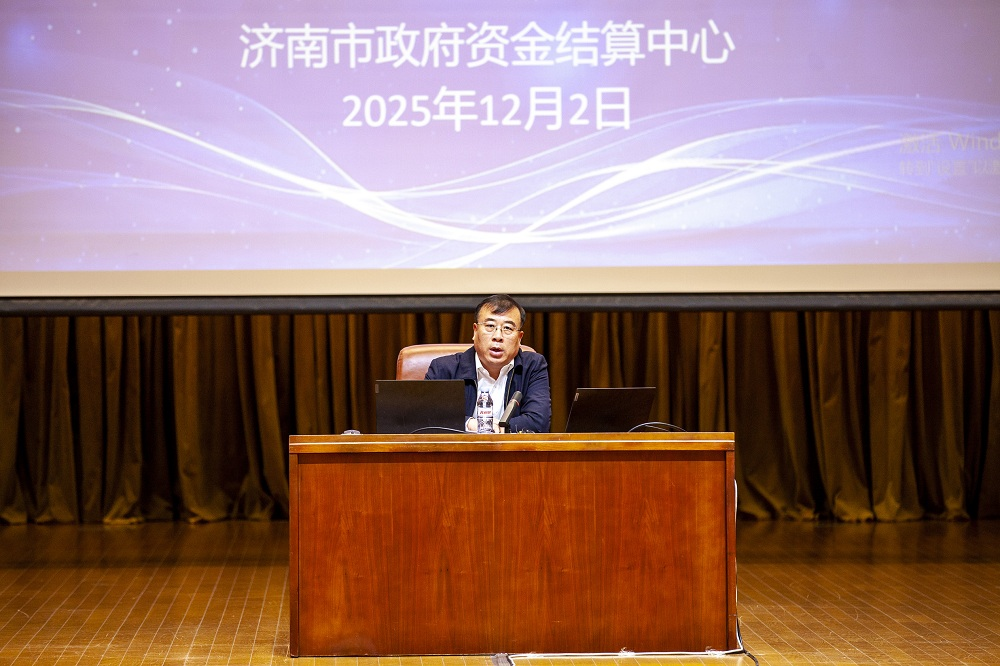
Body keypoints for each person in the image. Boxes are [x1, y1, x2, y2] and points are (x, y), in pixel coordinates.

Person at [425, 294, 551, 433]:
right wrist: (470, 424)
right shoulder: (444, 369)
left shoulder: (533, 366)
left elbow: (539, 422)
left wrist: (498, 428)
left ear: (519, 338)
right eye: (490, 326)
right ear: (475, 331)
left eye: (508, 328)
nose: (498, 336)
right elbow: (427, 418)